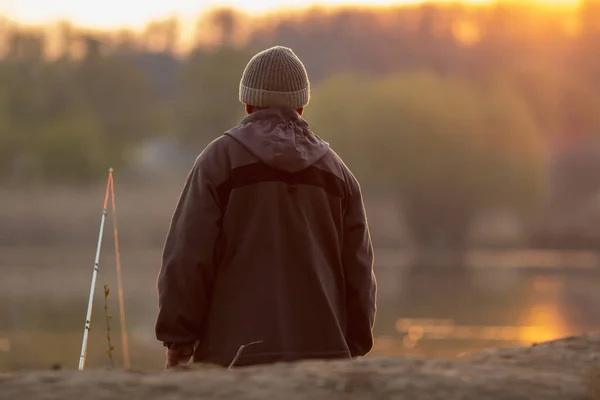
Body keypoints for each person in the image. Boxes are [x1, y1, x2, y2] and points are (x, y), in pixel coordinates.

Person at [155, 45, 377, 369]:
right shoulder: (338, 173)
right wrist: (354, 342)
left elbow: (187, 255)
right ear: (302, 105)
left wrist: (179, 340)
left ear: (247, 103)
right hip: (326, 358)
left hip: (232, 356)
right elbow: (358, 269)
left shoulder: (218, 161)